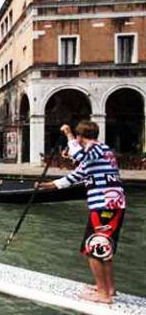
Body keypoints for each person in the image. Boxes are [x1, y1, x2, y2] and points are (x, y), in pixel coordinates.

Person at [37, 121, 126, 304]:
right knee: (103, 247)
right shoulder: (99, 153)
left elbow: (76, 153)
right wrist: (50, 185)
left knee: (93, 249)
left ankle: (103, 295)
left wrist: (69, 134)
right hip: (110, 206)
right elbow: (75, 176)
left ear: (80, 137)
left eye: (77, 137)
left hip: (104, 206)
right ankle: (108, 288)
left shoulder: (95, 148)